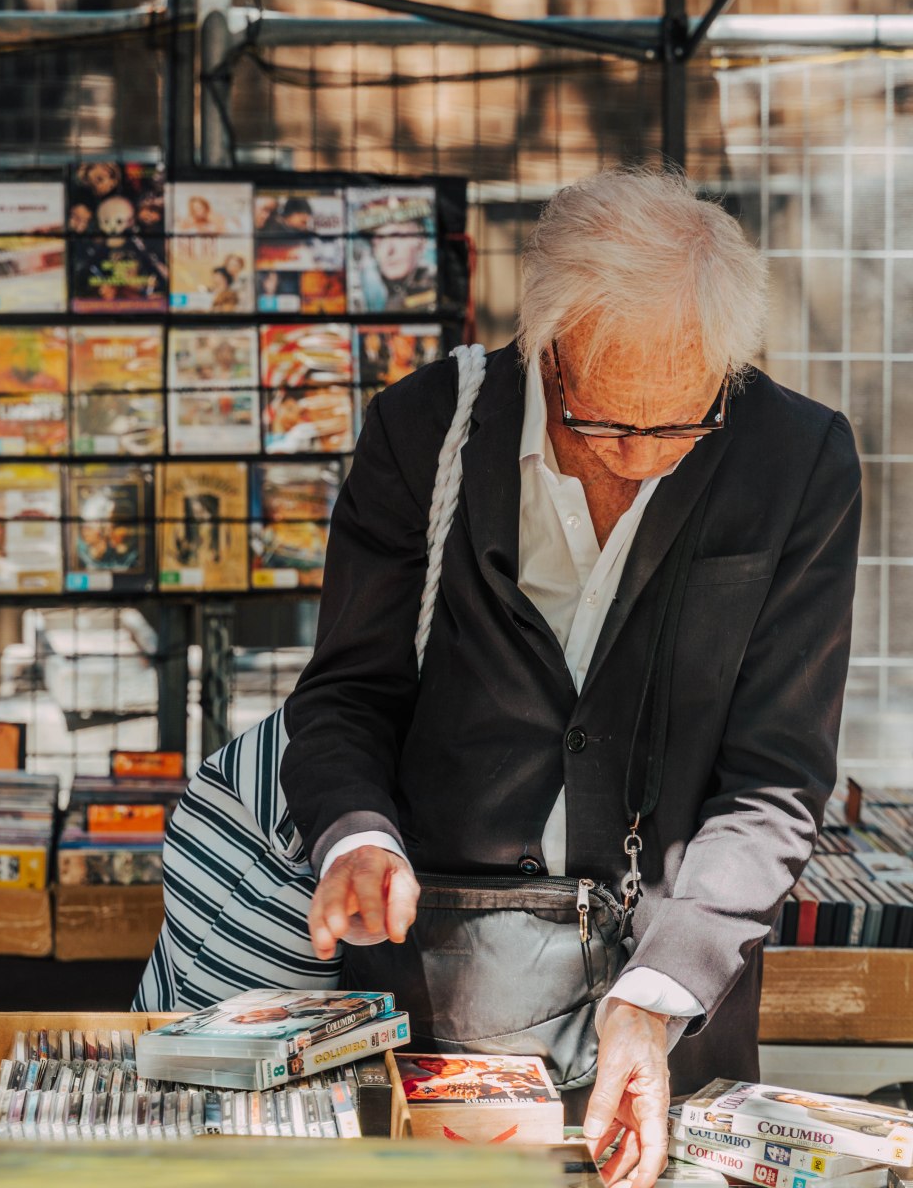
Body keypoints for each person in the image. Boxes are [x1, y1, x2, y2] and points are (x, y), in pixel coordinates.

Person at [280, 168, 861, 1188]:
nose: (639, 461)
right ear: (547, 346)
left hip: (672, 1009)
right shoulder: (425, 431)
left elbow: (774, 778)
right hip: (432, 1004)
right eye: (603, 424)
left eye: (677, 427)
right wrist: (357, 836)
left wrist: (659, 993)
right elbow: (345, 695)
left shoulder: (796, 458)